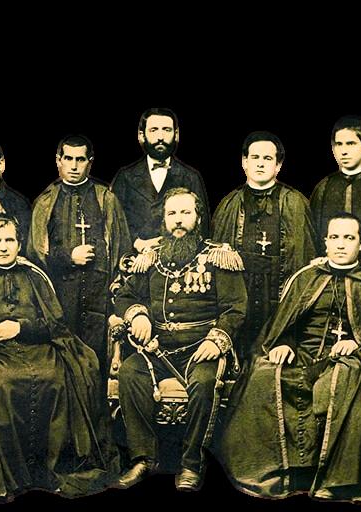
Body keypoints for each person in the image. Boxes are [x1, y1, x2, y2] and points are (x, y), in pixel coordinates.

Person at [217, 213, 361, 504]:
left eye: (349, 238)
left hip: (352, 358)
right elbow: (283, 325)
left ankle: (338, 480)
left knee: (344, 378)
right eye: (335, 237)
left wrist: (358, 343)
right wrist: (284, 343)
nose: (341, 245)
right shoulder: (307, 277)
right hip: (304, 354)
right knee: (265, 372)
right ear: (325, 242)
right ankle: (285, 473)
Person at [0, 217, 114, 500]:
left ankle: (47, 469)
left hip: (37, 346)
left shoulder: (34, 277)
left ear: (19, 244)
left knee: (54, 377)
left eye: (10, 240)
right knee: (2, 384)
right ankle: (12, 475)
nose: (3, 247)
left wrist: (20, 327)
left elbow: (56, 324)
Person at [111, 187, 246, 492]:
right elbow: (126, 296)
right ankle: (143, 459)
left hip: (202, 348)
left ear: (198, 218)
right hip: (157, 350)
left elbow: (235, 308)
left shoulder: (218, 256)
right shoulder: (152, 257)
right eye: (172, 213)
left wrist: (216, 340)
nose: (178, 220)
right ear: (164, 219)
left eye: (186, 212)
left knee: (204, 382)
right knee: (130, 372)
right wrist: (138, 316)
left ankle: (191, 464)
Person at [27, 134, 130, 381]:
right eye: (68, 159)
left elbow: (122, 250)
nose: (74, 166)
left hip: (99, 301)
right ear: (58, 160)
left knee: (97, 369)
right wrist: (68, 257)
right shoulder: (45, 202)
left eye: (80, 159)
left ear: (90, 162)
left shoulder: (106, 199)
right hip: (61, 300)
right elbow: (35, 255)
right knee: (63, 369)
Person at [212, 131, 316, 360]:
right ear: (244, 162)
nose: (260, 163)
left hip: (279, 304)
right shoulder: (229, 204)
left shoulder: (295, 203)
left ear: (278, 165)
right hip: (241, 303)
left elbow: (305, 265)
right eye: (255, 157)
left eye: (267, 158)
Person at [111, 108, 209, 253]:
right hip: (136, 258)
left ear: (176, 134)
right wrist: (137, 243)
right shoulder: (125, 177)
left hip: (179, 259)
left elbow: (203, 227)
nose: (160, 137)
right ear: (141, 135)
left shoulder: (191, 177)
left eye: (166, 130)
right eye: (154, 130)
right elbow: (114, 222)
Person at [310, 115, 361, 266]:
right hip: (329, 270)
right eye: (339, 144)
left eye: (350, 144)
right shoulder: (324, 187)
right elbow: (313, 234)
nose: (343, 151)